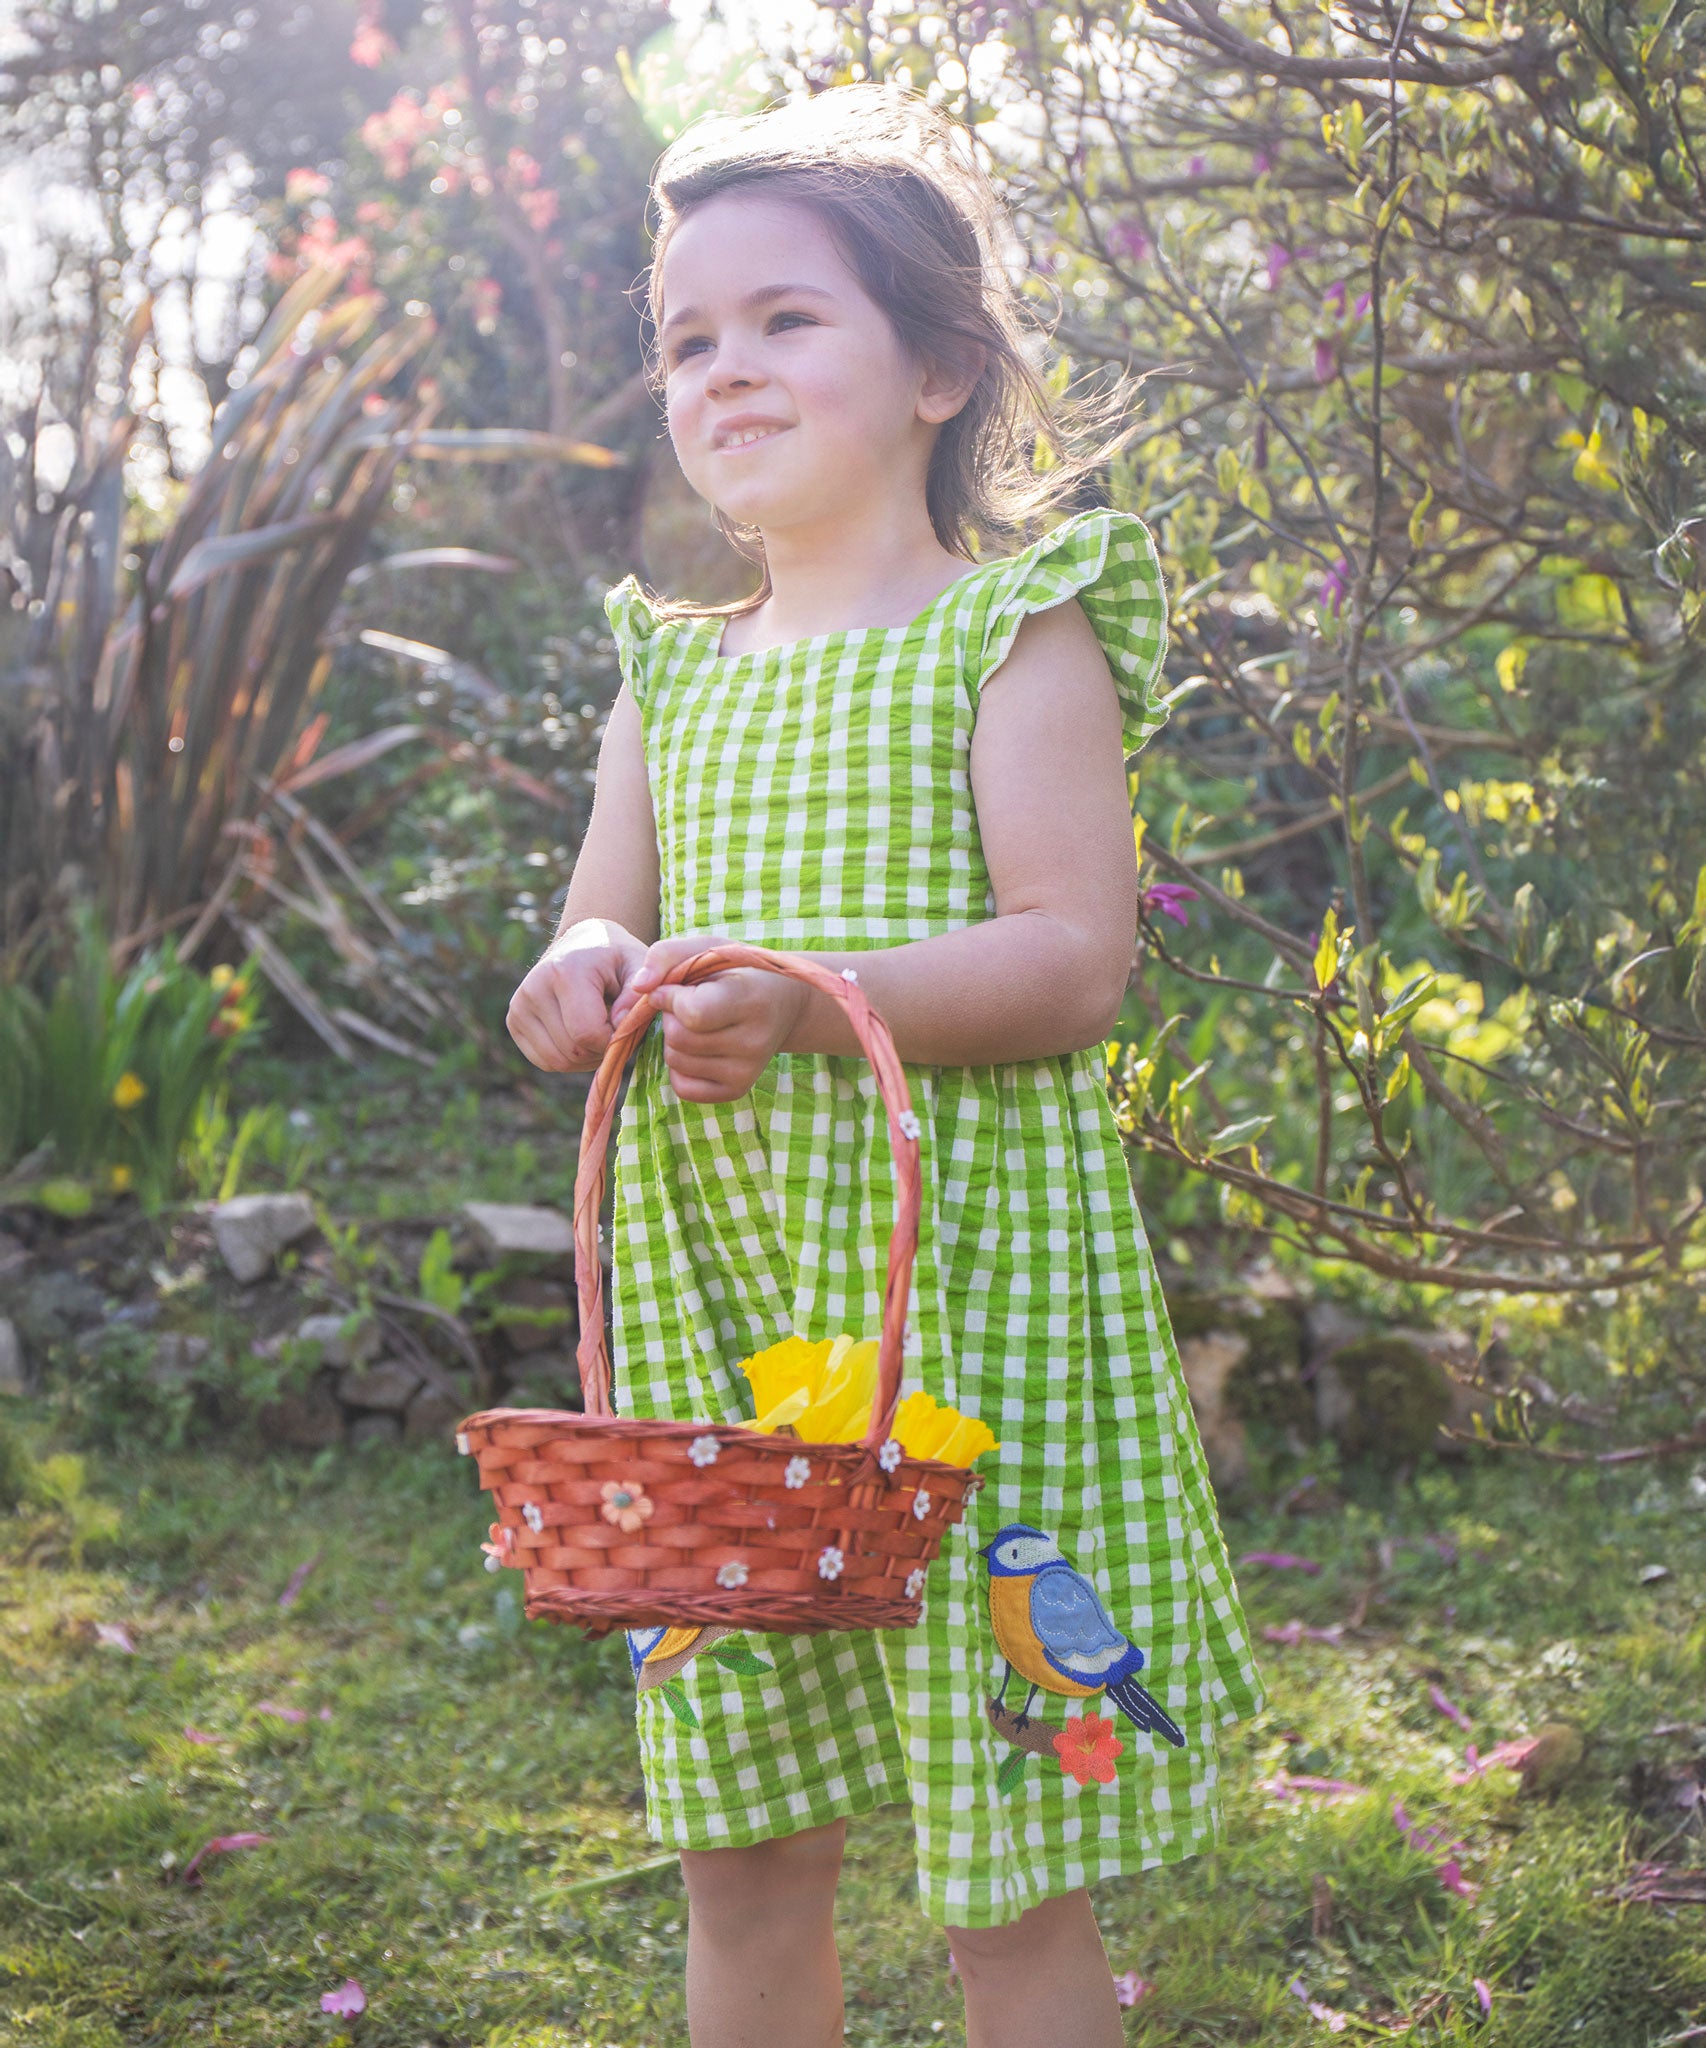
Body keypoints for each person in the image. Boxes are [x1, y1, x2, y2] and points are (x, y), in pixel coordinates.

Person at [506, 82, 1265, 2048]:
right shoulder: (665, 673)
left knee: (1009, 1852)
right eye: (686, 339)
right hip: (725, 1322)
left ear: (935, 365)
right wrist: (577, 974)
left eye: (783, 319)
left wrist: (817, 990)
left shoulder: (1008, 631)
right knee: (742, 1846)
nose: (722, 368)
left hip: (968, 1322)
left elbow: (1068, 955)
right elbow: (604, 907)